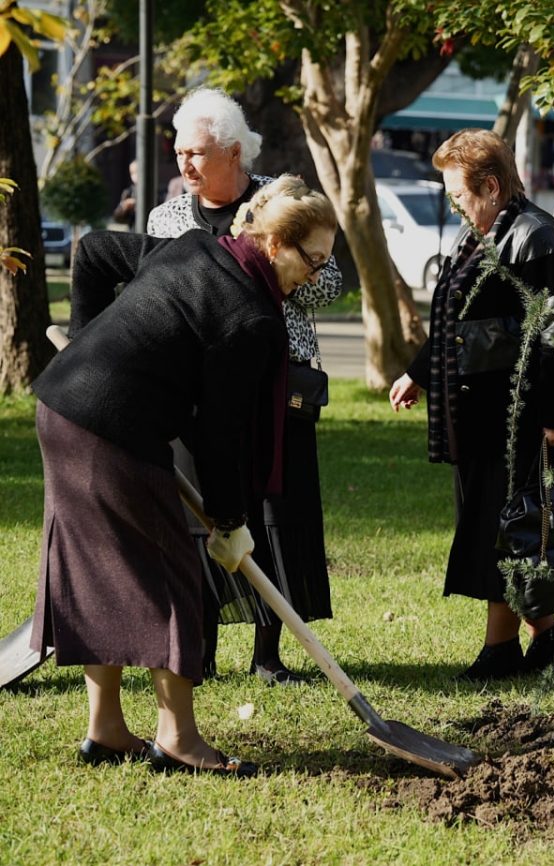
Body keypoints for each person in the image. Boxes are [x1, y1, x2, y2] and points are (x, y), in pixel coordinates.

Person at [30, 175, 338, 775]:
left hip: (62, 411)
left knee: (101, 575)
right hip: (108, 431)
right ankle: (179, 739)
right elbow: (222, 434)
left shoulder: (193, 246)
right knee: (173, 578)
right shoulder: (252, 317)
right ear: (274, 244)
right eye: (314, 259)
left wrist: (84, 341)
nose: (319, 275)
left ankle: (108, 731)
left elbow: (93, 249)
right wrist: (231, 518)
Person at [148, 87, 341, 686]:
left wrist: (275, 263)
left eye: (197, 152)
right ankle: (198, 649)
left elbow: (329, 283)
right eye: (178, 151)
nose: (185, 164)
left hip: (277, 380)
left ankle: (268, 653)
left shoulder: (280, 199)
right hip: (196, 384)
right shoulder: (167, 216)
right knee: (201, 514)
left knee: (275, 511)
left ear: (233, 152)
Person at [388, 129, 554, 681]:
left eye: (458, 193)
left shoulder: (538, 237)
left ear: (492, 187)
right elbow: (458, 319)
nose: (453, 204)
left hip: (519, 416)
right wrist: (418, 371)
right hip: (476, 414)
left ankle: (500, 652)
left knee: (502, 531)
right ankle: (547, 641)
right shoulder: (477, 233)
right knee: (501, 527)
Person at [111, 161, 137, 227]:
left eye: (137, 171)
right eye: (132, 173)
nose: (135, 175)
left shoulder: (153, 189)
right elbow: (117, 217)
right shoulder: (128, 192)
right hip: (134, 229)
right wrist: (124, 207)